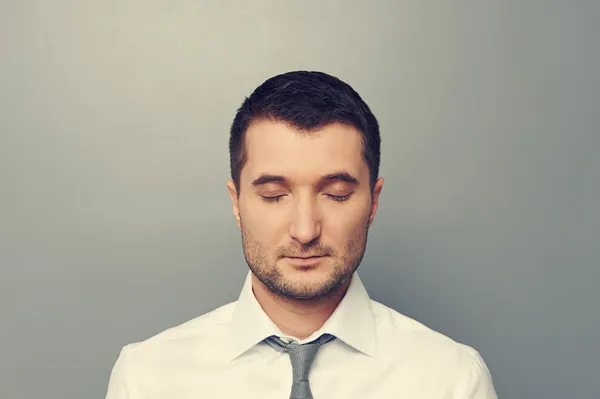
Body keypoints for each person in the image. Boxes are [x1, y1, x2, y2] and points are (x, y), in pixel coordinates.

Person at [105, 71, 498, 398]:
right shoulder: (147, 379)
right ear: (237, 202)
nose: (305, 230)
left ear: (373, 202)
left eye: (336, 194)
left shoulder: (452, 381)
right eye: (274, 196)